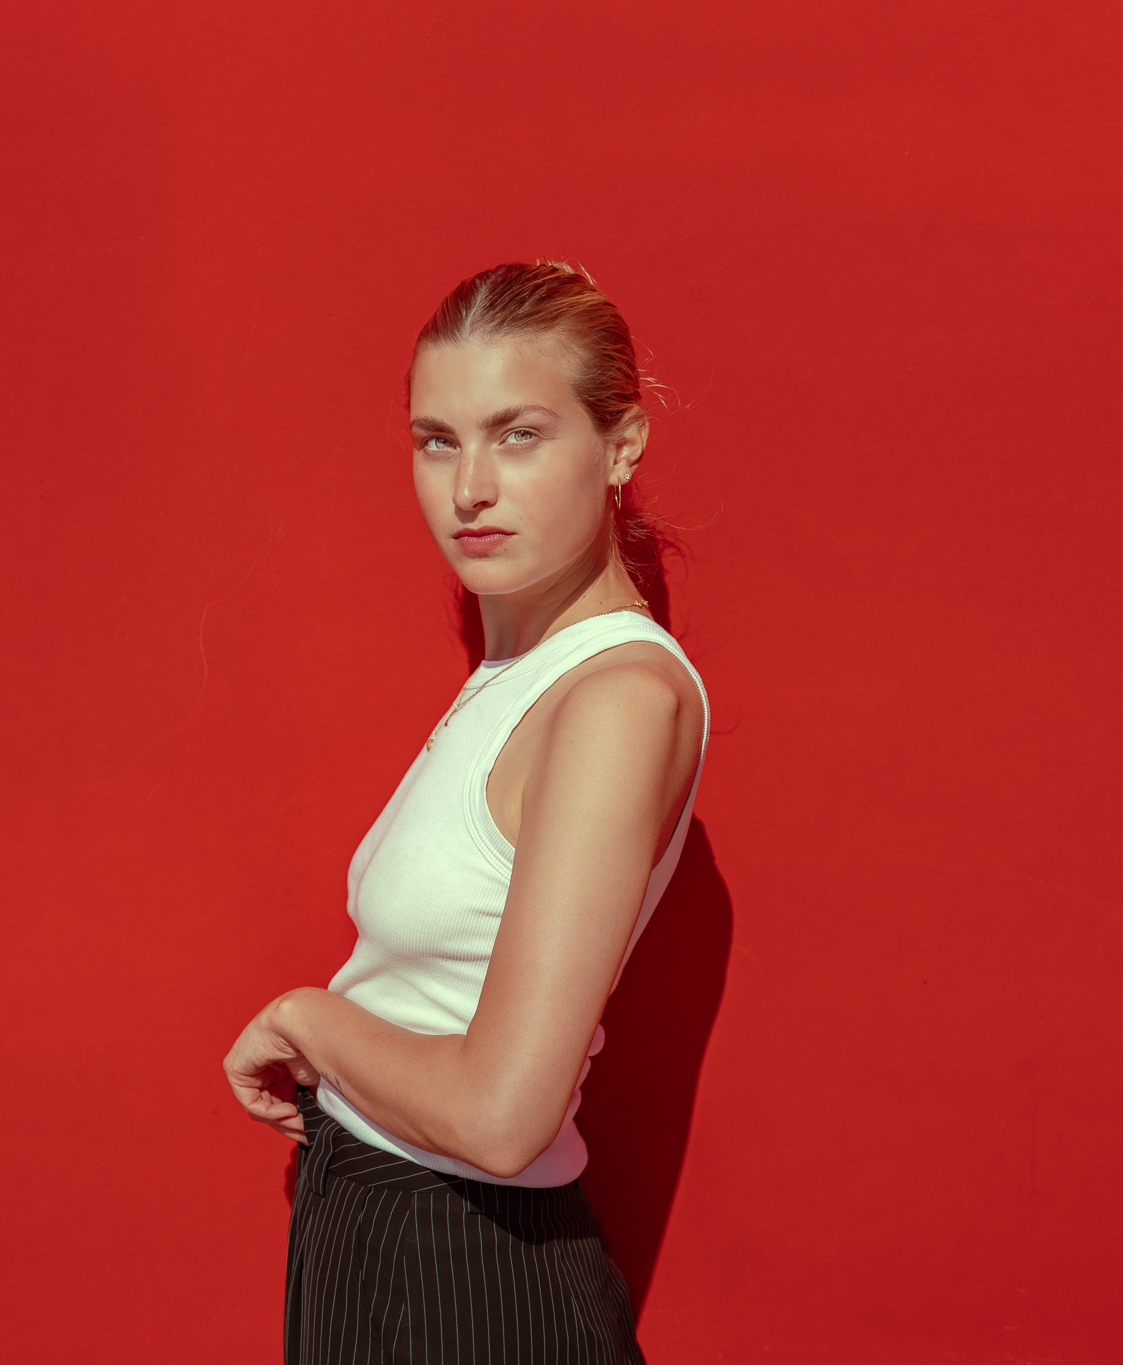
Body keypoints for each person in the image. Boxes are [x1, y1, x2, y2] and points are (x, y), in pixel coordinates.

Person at [222, 261, 709, 1365]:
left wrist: (304, 1020)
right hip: (380, 1234)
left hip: (463, 1268)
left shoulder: (614, 698)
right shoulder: (518, 672)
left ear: (621, 445)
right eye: (436, 441)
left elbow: (502, 1117)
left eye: (518, 435)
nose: (469, 488)